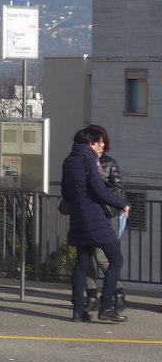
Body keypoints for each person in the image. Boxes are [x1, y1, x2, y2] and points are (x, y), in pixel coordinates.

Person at [61, 126, 130, 322]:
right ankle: (107, 306)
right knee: (116, 260)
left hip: (78, 218)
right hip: (95, 219)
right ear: (90, 143)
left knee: (82, 263)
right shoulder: (88, 159)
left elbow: (66, 194)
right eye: (98, 142)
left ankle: (78, 310)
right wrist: (122, 203)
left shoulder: (69, 161)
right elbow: (99, 190)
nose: (101, 145)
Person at [82, 126, 128, 314]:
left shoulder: (109, 163)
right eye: (95, 142)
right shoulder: (81, 162)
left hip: (103, 216)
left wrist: (102, 195)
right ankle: (91, 296)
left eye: (101, 141)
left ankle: (117, 292)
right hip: (85, 214)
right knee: (85, 259)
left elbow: (118, 188)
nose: (99, 145)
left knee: (102, 257)